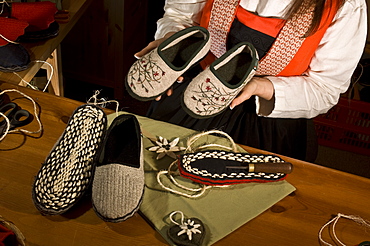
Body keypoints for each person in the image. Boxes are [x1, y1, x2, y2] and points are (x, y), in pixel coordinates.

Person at [134, 0, 367, 162]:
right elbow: (180, 15)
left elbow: (325, 88)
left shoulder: (346, 6)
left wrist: (261, 86)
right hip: (195, 93)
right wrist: (173, 44)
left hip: (268, 123)